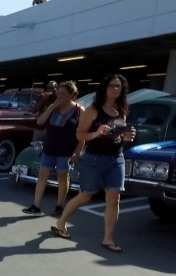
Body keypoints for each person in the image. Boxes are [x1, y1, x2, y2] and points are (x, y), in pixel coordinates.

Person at [52, 74, 136, 253]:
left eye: (119, 86)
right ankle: (61, 222)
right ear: (105, 88)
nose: (115, 89)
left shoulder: (122, 110)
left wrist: (127, 137)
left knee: (114, 199)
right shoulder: (92, 111)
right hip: (94, 158)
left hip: (116, 159)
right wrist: (96, 133)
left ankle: (108, 239)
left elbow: (118, 136)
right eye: (112, 85)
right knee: (86, 195)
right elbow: (80, 135)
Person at [23, 81, 83, 216]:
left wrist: (78, 152)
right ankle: (36, 205)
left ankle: (60, 205)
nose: (60, 96)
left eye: (63, 94)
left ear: (72, 95)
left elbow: (82, 134)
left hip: (66, 151)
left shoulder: (79, 110)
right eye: (58, 93)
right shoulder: (53, 106)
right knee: (43, 174)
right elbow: (40, 122)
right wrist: (52, 107)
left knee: (63, 176)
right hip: (49, 148)